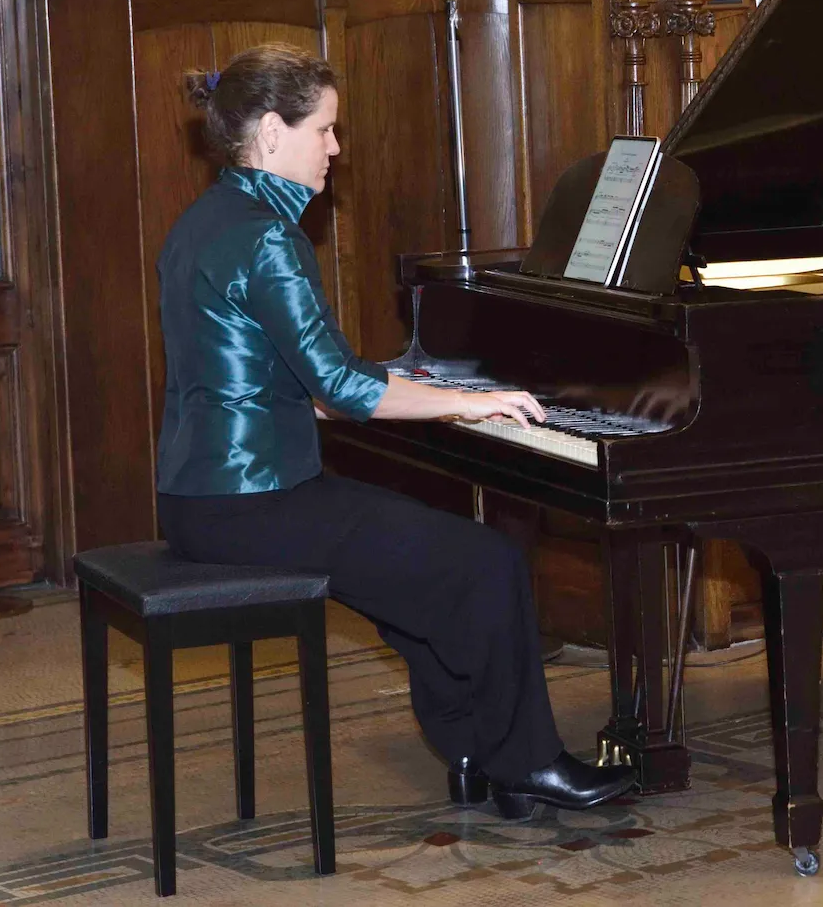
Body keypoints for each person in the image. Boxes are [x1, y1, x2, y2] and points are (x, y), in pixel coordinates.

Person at [154, 42, 636, 820]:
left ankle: (474, 752)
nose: (336, 148)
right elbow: (342, 388)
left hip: (199, 497)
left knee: (427, 575)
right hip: (253, 502)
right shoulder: (268, 236)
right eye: (325, 129)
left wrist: (413, 391)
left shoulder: (204, 219)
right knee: (486, 563)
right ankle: (529, 764)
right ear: (272, 132)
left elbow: (275, 378)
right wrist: (466, 402)